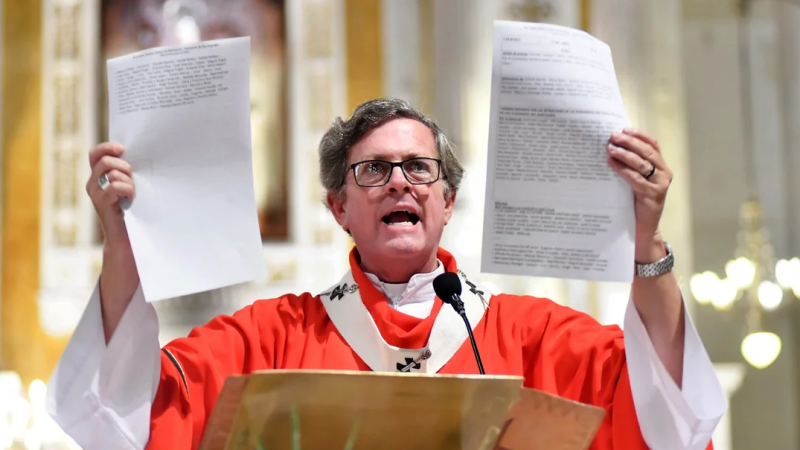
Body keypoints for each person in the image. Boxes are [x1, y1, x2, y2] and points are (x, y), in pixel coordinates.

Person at [46, 98, 725, 450]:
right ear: (339, 206)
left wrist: (646, 238)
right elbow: (125, 409)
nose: (399, 182)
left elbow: (665, 409)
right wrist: (124, 244)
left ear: (447, 201)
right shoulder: (269, 338)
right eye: (372, 170)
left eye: (419, 168)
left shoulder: (533, 335)